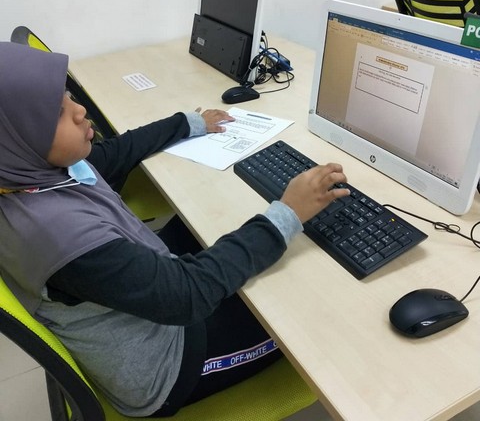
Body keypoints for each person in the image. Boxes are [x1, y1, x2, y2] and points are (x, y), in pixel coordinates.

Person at [0, 42, 350, 417]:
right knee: (310, 304)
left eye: (68, 94)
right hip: (168, 363)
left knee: (220, 225)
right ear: (17, 134)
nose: (79, 110)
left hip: (143, 293)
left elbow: (114, 153)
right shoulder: (56, 238)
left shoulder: (28, 171)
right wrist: (288, 213)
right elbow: (186, 296)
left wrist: (188, 123)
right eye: (57, 112)